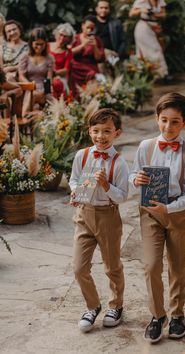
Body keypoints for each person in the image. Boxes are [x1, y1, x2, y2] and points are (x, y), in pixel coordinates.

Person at [129, 92, 185, 343]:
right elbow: (134, 174)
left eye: (174, 121)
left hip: (178, 213)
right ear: (156, 119)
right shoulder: (145, 147)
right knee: (150, 265)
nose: (168, 127)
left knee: (177, 266)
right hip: (150, 212)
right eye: (163, 120)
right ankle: (157, 315)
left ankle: (177, 315)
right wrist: (135, 179)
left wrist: (170, 209)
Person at [69, 108, 129, 333]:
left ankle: (116, 305)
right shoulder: (81, 155)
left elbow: (122, 196)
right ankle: (92, 305)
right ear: (89, 132)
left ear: (117, 133)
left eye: (107, 131)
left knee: (112, 266)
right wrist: (75, 192)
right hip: (84, 215)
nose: (101, 136)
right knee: (78, 267)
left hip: (107, 216)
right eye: (96, 131)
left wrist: (106, 186)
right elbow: (74, 180)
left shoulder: (119, 163)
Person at [18, 27, 54, 117]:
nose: (39, 47)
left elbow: (49, 78)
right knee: (30, 98)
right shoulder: (25, 57)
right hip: (29, 87)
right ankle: (31, 114)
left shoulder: (49, 59)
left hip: (44, 88)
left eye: (42, 44)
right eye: (37, 44)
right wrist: (31, 86)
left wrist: (44, 91)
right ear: (31, 43)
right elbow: (21, 76)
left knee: (55, 107)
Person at [129, 0, 168, 78]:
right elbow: (131, 14)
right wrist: (141, 10)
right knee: (154, 49)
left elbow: (164, 14)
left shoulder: (160, 1)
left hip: (154, 27)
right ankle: (161, 73)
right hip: (143, 27)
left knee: (156, 49)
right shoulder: (142, 1)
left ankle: (149, 74)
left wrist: (155, 14)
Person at [70, 15, 105, 98]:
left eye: (92, 29)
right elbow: (69, 53)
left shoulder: (97, 40)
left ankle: (90, 98)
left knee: (93, 75)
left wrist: (95, 46)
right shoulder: (75, 38)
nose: (89, 30)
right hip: (76, 67)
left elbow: (99, 58)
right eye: (87, 27)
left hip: (91, 67)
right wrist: (83, 45)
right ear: (82, 26)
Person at [48, 23, 75, 99]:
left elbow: (66, 70)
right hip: (43, 73)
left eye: (65, 36)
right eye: (60, 35)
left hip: (58, 76)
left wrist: (54, 72)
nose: (62, 38)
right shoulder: (47, 46)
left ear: (69, 39)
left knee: (57, 84)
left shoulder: (68, 52)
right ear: (56, 34)